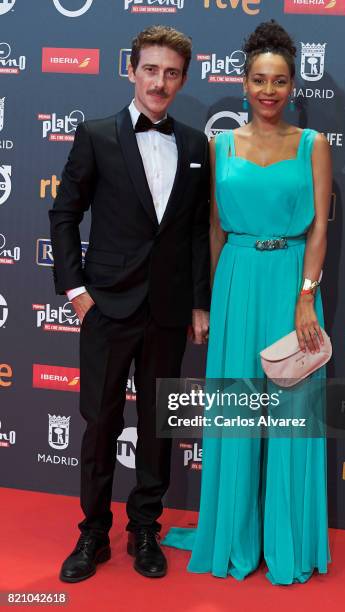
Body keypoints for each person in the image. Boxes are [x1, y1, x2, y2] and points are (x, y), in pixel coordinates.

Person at [162, 20, 332, 585]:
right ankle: (234, 535)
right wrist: (207, 302)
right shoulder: (220, 145)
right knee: (236, 419)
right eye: (259, 79)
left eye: (279, 81)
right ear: (243, 82)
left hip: (290, 286)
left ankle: (285, 542)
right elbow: (212, 228)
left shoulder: (313, 145)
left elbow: (320, 232)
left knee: (290, 421)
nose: (268, 90)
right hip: (235, 283)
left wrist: (307, 296)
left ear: (292, 87)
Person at [49, 25, 210, 582]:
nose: (159, 82)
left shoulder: (194, 144)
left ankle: (146, 528)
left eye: (170, 73)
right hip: (107, 307)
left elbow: (192, 232)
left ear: (183, 78)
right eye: (150, 69)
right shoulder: (95, 135)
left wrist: (198, 304)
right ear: (131, 69)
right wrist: (76, 291)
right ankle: (93, 532)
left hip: (168, 312)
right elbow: (63, 214)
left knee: (159, 423)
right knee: (99, 422)